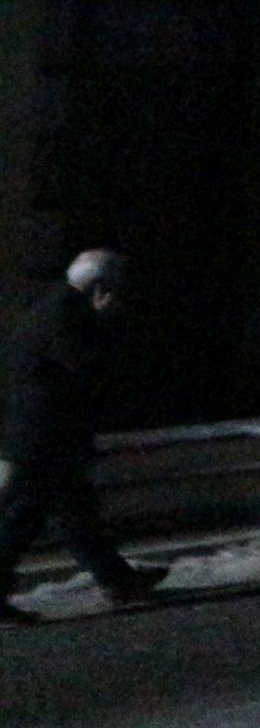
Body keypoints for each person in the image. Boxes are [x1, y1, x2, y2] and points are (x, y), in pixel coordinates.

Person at [0, 250, 169, 621]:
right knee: (23, 518)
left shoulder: (53, 307)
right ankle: (118, 582)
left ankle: (118, 581)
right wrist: (106, 321)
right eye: (117, 287)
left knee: (72, 514)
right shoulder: (66, 317)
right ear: (99, 286)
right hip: (44, 437)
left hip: (42, 434)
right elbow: (87, 370)